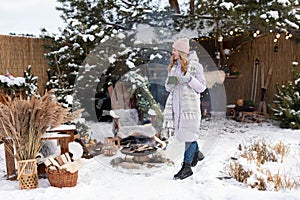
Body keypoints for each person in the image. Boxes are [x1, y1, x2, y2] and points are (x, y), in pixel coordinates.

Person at [164, 38, 207, 180]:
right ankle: (197, 153)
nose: (172, 52)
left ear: (182, 52)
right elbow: (168, 88)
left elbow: (201, 87)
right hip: (177, 108)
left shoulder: (196, 67)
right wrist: (173, 81)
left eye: (175, 50)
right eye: (173, 49)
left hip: (190, 109)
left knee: (188, 135)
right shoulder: (173, 67)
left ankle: (186, 167)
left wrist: (189, 79)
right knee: (187, 134)